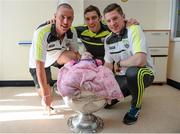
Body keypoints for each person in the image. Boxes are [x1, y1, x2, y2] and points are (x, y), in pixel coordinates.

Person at [103, 3, 154, 125]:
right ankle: (134, 89)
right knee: (106, 104)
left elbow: (140, 60)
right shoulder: (107, 40)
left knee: (133, 72)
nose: (112, 23)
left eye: (115, 18)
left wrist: (120, 63)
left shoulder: (134, 29)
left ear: (123, 17)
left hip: (144, 72)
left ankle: (135, 107)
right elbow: (108, 65)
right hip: (123, 76)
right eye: (108, 20)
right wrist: (103, 87)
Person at [29, 3, 80, 110]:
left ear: (72, 19)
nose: (66, 22)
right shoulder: (42, 33)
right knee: (47, 93)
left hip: (57, 57)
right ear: (55, 17)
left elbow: (76, 55)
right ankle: (41, 89)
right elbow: (39, 65)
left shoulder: (72, 31)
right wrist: (46, 95)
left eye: (69, 18)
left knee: (73, 57)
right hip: (40, 64)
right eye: (62, 17)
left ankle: (68, 83)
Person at [45, 5, 139, 61]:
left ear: (100, 18)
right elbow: (65, 26)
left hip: (110, 62)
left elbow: (120, 25)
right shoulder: (81, 30)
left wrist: (128, 22)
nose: (91, 22)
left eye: (94, 18)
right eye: (87, 19)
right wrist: (55, 21)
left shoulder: (109, 28)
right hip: (91, 61)